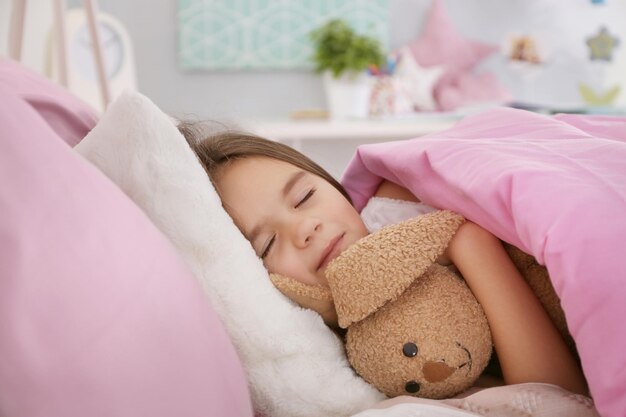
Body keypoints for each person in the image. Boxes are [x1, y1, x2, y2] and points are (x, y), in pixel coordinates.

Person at [179, 121, 588, 397]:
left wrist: (464, 233)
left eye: (305, 197)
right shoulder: (351, 345)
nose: (304, 229)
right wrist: (470, 243)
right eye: (267, 244)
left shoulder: (404, 205)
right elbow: (553, 393)